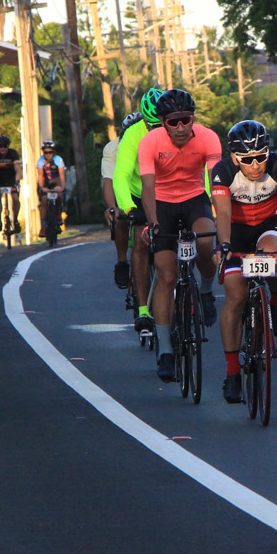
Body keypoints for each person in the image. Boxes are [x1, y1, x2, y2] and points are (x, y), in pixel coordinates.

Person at [210, 120, 277, 403]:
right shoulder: (223, 172)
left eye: (261, 157)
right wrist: (225, 244)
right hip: (236, 232)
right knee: (235, 294)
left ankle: (276, 303)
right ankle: (232, 372)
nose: (256, 165)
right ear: (234, 158)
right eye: (248, 160)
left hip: (268, 223)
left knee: (275, 259)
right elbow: (224, 214)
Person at [139, 88, 222, 382]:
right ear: (162, 122)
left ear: (193, 118)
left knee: (205, 242)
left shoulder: (209, 138)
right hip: (161, 204)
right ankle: (165, 351)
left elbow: (216, 184)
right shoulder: (150, 142)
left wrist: (222, 219)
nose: (181, 127)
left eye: (186, 120)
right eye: (173, 122)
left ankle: (207, 291)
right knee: (166, 276)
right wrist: (152, 224)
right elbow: (148, 188)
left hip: (194, 200)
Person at [112, 87, 166, 336]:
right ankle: (143, 309)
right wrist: (129, 207)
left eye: (162, 124)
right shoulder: (133, 135)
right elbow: (121, 175)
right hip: (139, 192)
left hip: (171, 192)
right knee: (141, 244)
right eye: (151, 125)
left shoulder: (179, 129)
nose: (158, 130)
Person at [102, 114, 143, 289]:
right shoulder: (113, 149)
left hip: (147, 189)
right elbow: (109, 180)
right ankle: (121, 262)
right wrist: (113, 208)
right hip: (125, 188)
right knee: (121, 218)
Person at [36, 140, 66, 238]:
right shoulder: (40, 160)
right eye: (46, 152)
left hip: (55, 180)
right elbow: (40, 175)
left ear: (54, 152)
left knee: (59, 196)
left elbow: (61, 174)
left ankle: (58, 213)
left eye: (50, 152)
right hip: (45, 181)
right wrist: (42, 187)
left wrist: (62, 187)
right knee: (44, 201)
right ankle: (43, 226)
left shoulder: (58, 159)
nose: (48, 154)